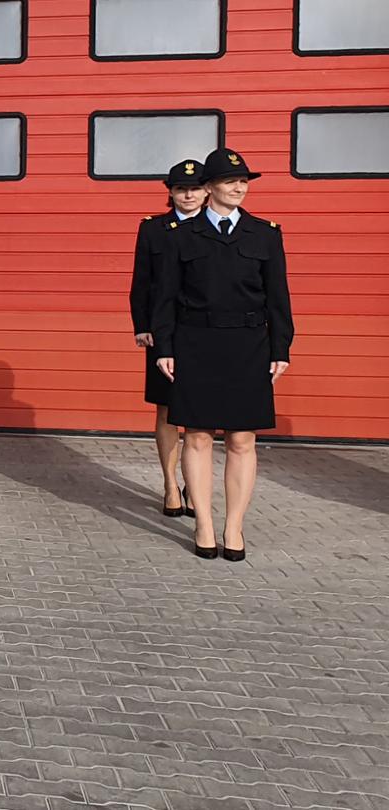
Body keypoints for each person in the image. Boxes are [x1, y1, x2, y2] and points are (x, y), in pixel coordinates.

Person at [152, 148, 292, 562]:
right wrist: (165, 347)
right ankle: (204, 525)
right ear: (210, 187)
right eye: (231, 181)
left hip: (249, 346)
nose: (240, 187)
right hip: (195, 342)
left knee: (242, 440)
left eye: (244, 181)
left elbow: (279, 297)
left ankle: (234, 528)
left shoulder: (265, 234)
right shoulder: (181, 237)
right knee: (196, 436)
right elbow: (165, 298)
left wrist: (280, 346)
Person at [131, 159, 206, 517]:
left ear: (207, 190)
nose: (188, 194)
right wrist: (142, 325)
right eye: (180, 188)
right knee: (166, 410)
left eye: (194, 187)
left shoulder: (220, 227)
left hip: (205, 331)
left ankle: (196, 483)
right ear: (171, 192)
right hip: (164, 329)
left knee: (199, 411)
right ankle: (170, 484)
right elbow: (142, 281)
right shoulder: (153, 229)